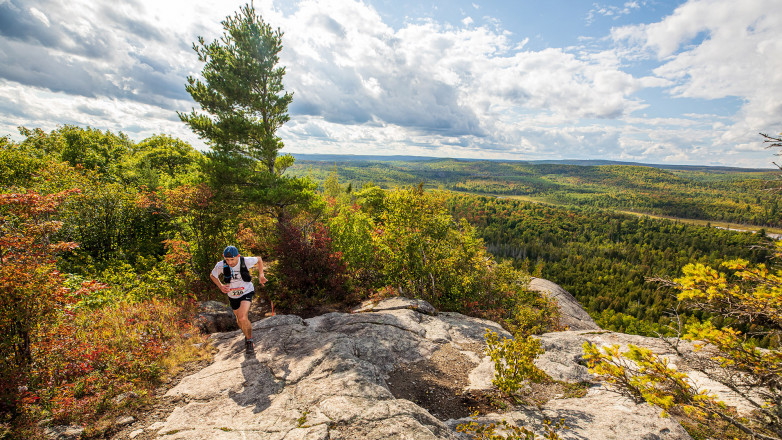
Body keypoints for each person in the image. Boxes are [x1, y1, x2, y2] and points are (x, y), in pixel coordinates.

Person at [210, 246, 267, 354]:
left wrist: (261, 275)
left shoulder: (245, 261)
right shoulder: (220, 265)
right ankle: (246, 334)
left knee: (242, 317)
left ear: (238, 256)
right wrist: (221, 286)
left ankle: (249, 340)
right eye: (227, 260)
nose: (230, 262)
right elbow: (213, 275)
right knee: (239, 319)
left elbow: (259, 259)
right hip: (232, 295)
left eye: (232, 259)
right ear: (224, 258)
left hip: (246, 291)